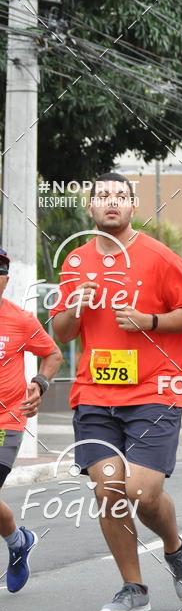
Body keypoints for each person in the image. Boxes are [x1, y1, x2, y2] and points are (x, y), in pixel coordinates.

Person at [51, 172, 182, 611]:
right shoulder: (76, 263)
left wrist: (150, 322)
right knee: (108, 491)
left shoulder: (158, 256)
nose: (111, 202)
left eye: (120, 196)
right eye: (103, 196)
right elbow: (62, 333)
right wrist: (73, 306)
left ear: (133, 206)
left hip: (155, 390)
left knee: (140, 491)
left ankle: (175, 548)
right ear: (91, 208)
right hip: (95, 394)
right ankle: (133, 587)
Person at [0, 248, 62, 592]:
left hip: (5, 423)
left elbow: (53, 353)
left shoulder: (20, 320)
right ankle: (17, 542)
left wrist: (39, 383)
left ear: (6, 281)